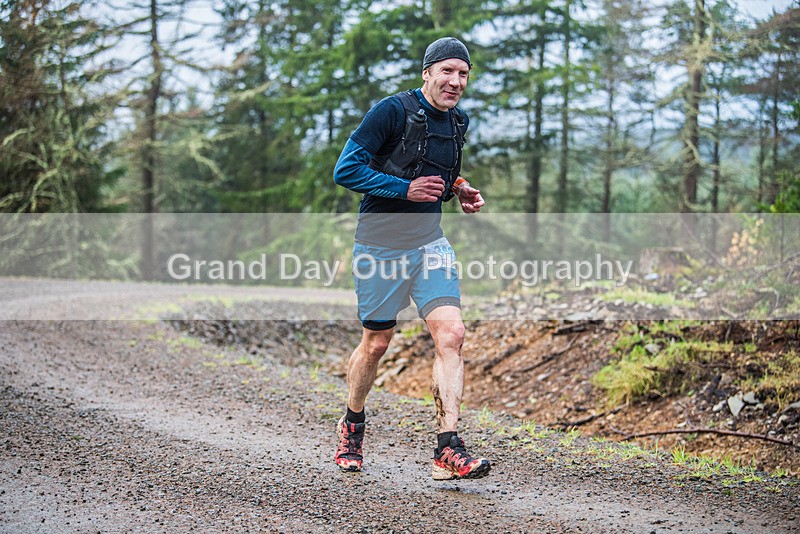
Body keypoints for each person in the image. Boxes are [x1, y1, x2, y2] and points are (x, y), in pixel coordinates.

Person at [332, 37, 490, 481]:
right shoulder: (391, 112)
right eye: (447, 71)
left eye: (463, 74)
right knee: (376, 344)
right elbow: (346, 170)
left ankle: (448, 447)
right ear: (427, 73)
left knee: (452, 334)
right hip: (379, 246)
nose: (455, 81)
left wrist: (459, 187)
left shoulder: (458, 122)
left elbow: (436, 168)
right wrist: (404, 190)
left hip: (429, 246)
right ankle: (353, 423)